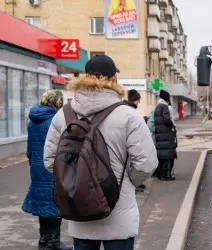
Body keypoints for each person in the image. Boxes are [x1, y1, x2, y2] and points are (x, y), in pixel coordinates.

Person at [43, 55, 158, 250]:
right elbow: (146, 163)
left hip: (80, 211)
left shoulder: (63, 114)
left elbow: (49, 160)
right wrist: (127, 183)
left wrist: (75, 180)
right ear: (113, 79)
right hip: (118, 213)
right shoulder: (128, 115)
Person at [22, 90, 72, 250]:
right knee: (54, 202)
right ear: (57, 103)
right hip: (51, 167)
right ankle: (53, 242)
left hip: (36, 167)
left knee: (43, 202)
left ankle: (44, 240)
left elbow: (29, 149)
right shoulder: (54, 121)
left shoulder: (33, 121)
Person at [123, 89, 147, 192]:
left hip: (125, 143)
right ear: (136, 100)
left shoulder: (124, 108)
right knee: (132, 164)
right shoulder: (131, 111)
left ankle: (136, 183)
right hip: (129, 143)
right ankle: (134, 184)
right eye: (138, 100)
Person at [153, 90, 177, 180]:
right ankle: (166, 175)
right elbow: (167, 119)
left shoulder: (157, 107)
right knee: (168, 155)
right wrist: (172, 126)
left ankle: (160, 174)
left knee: (161, 156)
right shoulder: (165, 107)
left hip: (159, 135)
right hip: (166, 135)